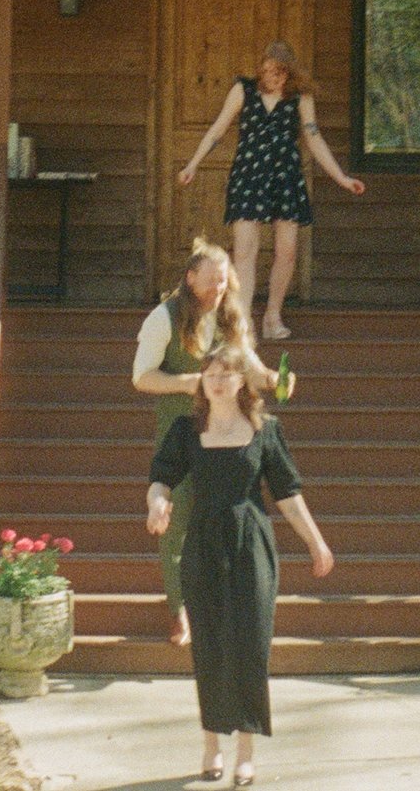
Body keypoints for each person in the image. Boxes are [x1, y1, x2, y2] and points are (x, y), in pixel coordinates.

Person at [146, 344, 332, 788]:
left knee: (250, 646)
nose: (217, 380)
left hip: (252, 544)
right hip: (204, 544)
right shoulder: (186, 430)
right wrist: (157, 503)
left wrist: (316, 542)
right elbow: (162, 478)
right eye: (210, 373)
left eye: (227, 373)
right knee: (209, 647)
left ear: (243, 382)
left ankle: (246, 753)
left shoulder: (265, 430)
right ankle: (211, 745)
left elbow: (287, 493)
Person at [176, 40, 364, 342]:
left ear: (288, 72)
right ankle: (243, 320)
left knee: (286, 252)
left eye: (277, 72)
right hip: (249, 176)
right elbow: (218, 129)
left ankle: (272, 317)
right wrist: (193, 164)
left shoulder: (300, 98)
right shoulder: (243, 90)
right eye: (265, 71)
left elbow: (314, 139)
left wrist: (341, 177)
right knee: (245, 250)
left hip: (285, 177)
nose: (270, 78)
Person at [133, 240, 271, 647]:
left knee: (226, 516)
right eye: (211, 281)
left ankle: (218, 603)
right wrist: (190, 383)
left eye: (224, 281)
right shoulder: (165, 317)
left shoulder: (231, 314)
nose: (218, 289)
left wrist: (273, 379)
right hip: (180, 430)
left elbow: (249, 364)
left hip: (227, 431)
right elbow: (142, 377)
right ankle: (179, 611)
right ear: (190, 278)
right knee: (178, 520)